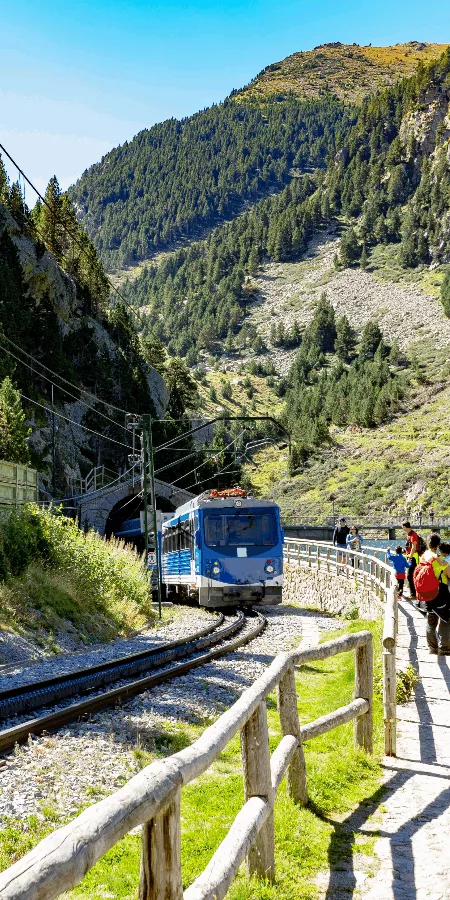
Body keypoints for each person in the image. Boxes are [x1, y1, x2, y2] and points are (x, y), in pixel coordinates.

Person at [415, 534, 450, 655]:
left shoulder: (424, 556)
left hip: (427, 594)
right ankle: (444, 648)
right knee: (446, 620)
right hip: (440, 594)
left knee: (431, 621)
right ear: (438, 545)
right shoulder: (441, 562)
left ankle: (432, 648)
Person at [402, 520, 422, 599]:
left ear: (405, 527)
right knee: (410, 575)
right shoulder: (409, 535)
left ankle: (413, 594)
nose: (403, 529)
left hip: (413, 557)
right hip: (410, 556)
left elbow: (413, 548)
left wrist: (410, 558)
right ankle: (413, 592)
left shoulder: (413, 535)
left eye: (403, 528)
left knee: (410, 576)